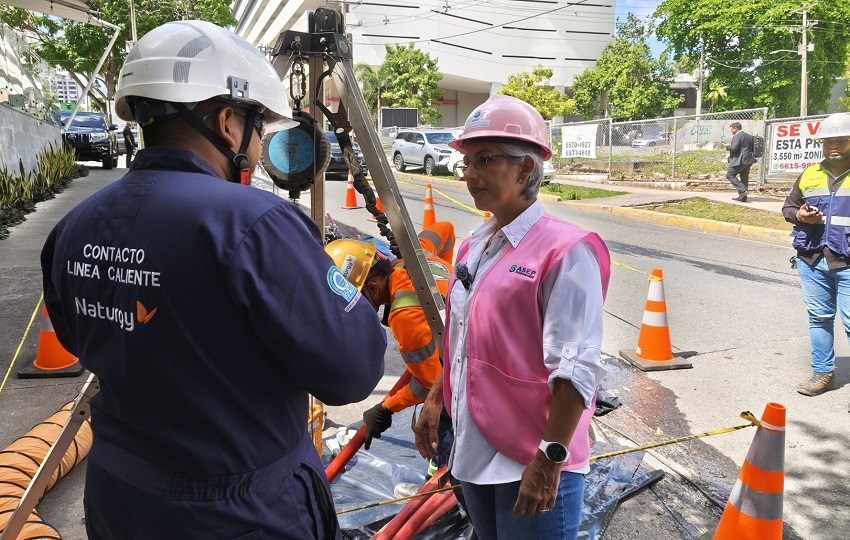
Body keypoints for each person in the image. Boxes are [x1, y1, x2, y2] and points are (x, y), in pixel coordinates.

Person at [40, 20, 387, 540]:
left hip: (120, 500)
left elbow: (78, 338)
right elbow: (353, 370)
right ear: (227, 122)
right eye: (257, 128)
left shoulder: (74, 226)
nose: (256, 146)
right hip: (242, 514)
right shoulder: (253, 222)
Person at [413, 94, 611, 540]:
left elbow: (577, 364)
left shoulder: (566, 251)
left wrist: (550, 458)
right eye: (467, 161)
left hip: (531, 458)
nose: (470, 174)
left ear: (525, 169)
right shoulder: (475, 245)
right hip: (474, 447)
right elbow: (463, 340)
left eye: (485, 160)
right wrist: (436, 399)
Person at [324, 222, 455, 451]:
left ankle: (446, 464)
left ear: (373, 288)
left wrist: (387, 408)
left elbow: (432, 384)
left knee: (433, 422)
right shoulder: (417, 256)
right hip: (477, 339)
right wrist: (450, 286)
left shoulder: (405, 316)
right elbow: (446, 229)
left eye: (356, 299)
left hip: (470, 384)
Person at [782, 112, 850, 409]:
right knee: (819, 318)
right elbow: (788, 208)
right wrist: (799, 215)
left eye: (841, 140)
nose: (833, 145)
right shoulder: (809, 174)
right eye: (828, 141)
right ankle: (823, 373)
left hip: (847, 261)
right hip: (812, 259)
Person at [726, 121, 755, 202]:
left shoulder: (737, 136)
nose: (731, 131)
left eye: (732, 129)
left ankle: (743, 190)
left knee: (730, 175)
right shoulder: (749, 136)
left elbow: (734, 149)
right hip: (748, 160)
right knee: (744, 178)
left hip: (739, 160)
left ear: (736, 128)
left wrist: (727, 147)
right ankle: (743, 197)